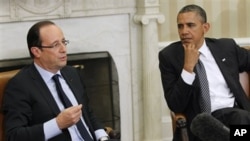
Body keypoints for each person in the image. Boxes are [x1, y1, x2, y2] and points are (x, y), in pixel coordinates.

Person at [3, 21, 110, 141]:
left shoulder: (72, 73)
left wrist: (103, 137)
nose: (63, 49)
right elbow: (14, 136)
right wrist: (57, 124)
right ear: (36, 51)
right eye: (55, 45)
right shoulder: (20, 85)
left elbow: (88, 113)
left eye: (63, 42)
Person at [159, 4, 250, 141]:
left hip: (232, 115)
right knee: (237, 126)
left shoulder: (226, 47)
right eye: (180, 26)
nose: (184, 31)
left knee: (240, 118)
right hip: (199, 123)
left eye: (190, 25)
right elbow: (175, 104)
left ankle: (227, 136)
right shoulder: (169, 56)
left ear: (205, 28)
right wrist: (188, 68)